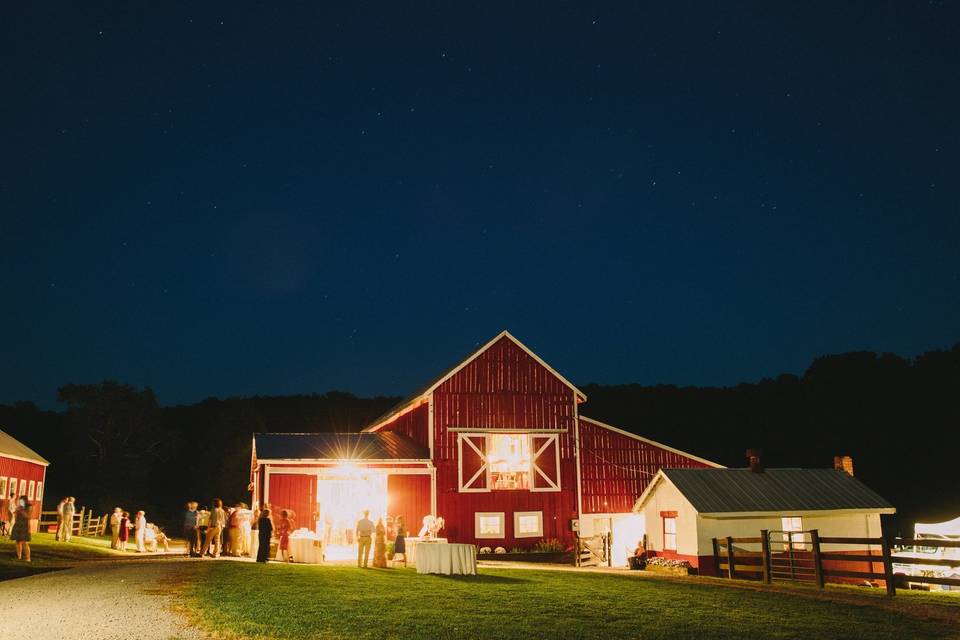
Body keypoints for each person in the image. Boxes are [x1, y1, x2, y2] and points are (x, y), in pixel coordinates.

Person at [10, 496, 31, 561]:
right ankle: (19, 556)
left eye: (21, 501)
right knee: (17, 541)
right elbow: (15, 516)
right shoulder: (19, 507)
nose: (20, 502)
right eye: (19, 501)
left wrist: (21, 511)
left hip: (24, 525)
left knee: (25, 542)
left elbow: (28, 517)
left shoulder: (29, 507)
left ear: (24, 501)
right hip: (18, 525)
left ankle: (28, 558)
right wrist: (16, 512)